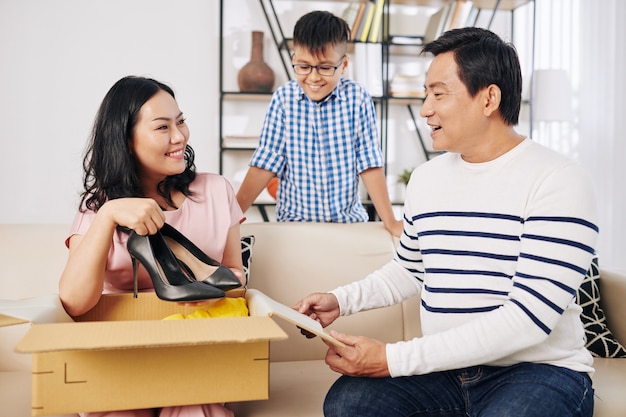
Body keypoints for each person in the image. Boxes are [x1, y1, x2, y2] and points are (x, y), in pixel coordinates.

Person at [294, 27, 599, 417]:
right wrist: (340, 300)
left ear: (489, 97)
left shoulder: (558, 179)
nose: (425, 109)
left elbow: (527, 319)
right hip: (446, 371)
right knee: (348, 402)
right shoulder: (427, 178)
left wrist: (392, 359)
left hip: (538, 372)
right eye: (426, 94)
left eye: (439, 94)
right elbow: (410, 269)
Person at [59, 76, 243, 417]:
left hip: (196, 355)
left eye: (181, 121)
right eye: (162, 127)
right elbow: (73, 302)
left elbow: (236, 276)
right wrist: (109, 215)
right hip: (120, 358)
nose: (179, 136)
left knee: (194, 407)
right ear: (126, 140)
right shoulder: (97, 206)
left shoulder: (216, 191)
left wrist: (217, 291)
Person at [235, 10, 402, 237]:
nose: (313, 77)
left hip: (348, 226)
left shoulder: (358, 99)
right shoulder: (283, 100)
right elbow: (266, 162)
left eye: (325, 68)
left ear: (343, 65)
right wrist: (231, 218)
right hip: (294, 226)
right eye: (303, 67)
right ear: (294, 59)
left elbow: (369, 163)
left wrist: (390, 221)